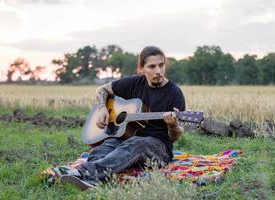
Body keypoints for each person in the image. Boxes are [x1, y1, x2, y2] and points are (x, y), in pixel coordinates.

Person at [60, 46, 186, 191]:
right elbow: (102, 89)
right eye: (152, 66)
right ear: (142, 68)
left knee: (137, 143)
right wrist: (102, 109)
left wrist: (173, 126)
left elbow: (176, 135)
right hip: (125, 138)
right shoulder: (135, 83)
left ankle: (83, 173)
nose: (158, 71)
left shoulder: (175, 93)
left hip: (159, 147)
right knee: (103, 148)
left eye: (161, 65)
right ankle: (95, 181)